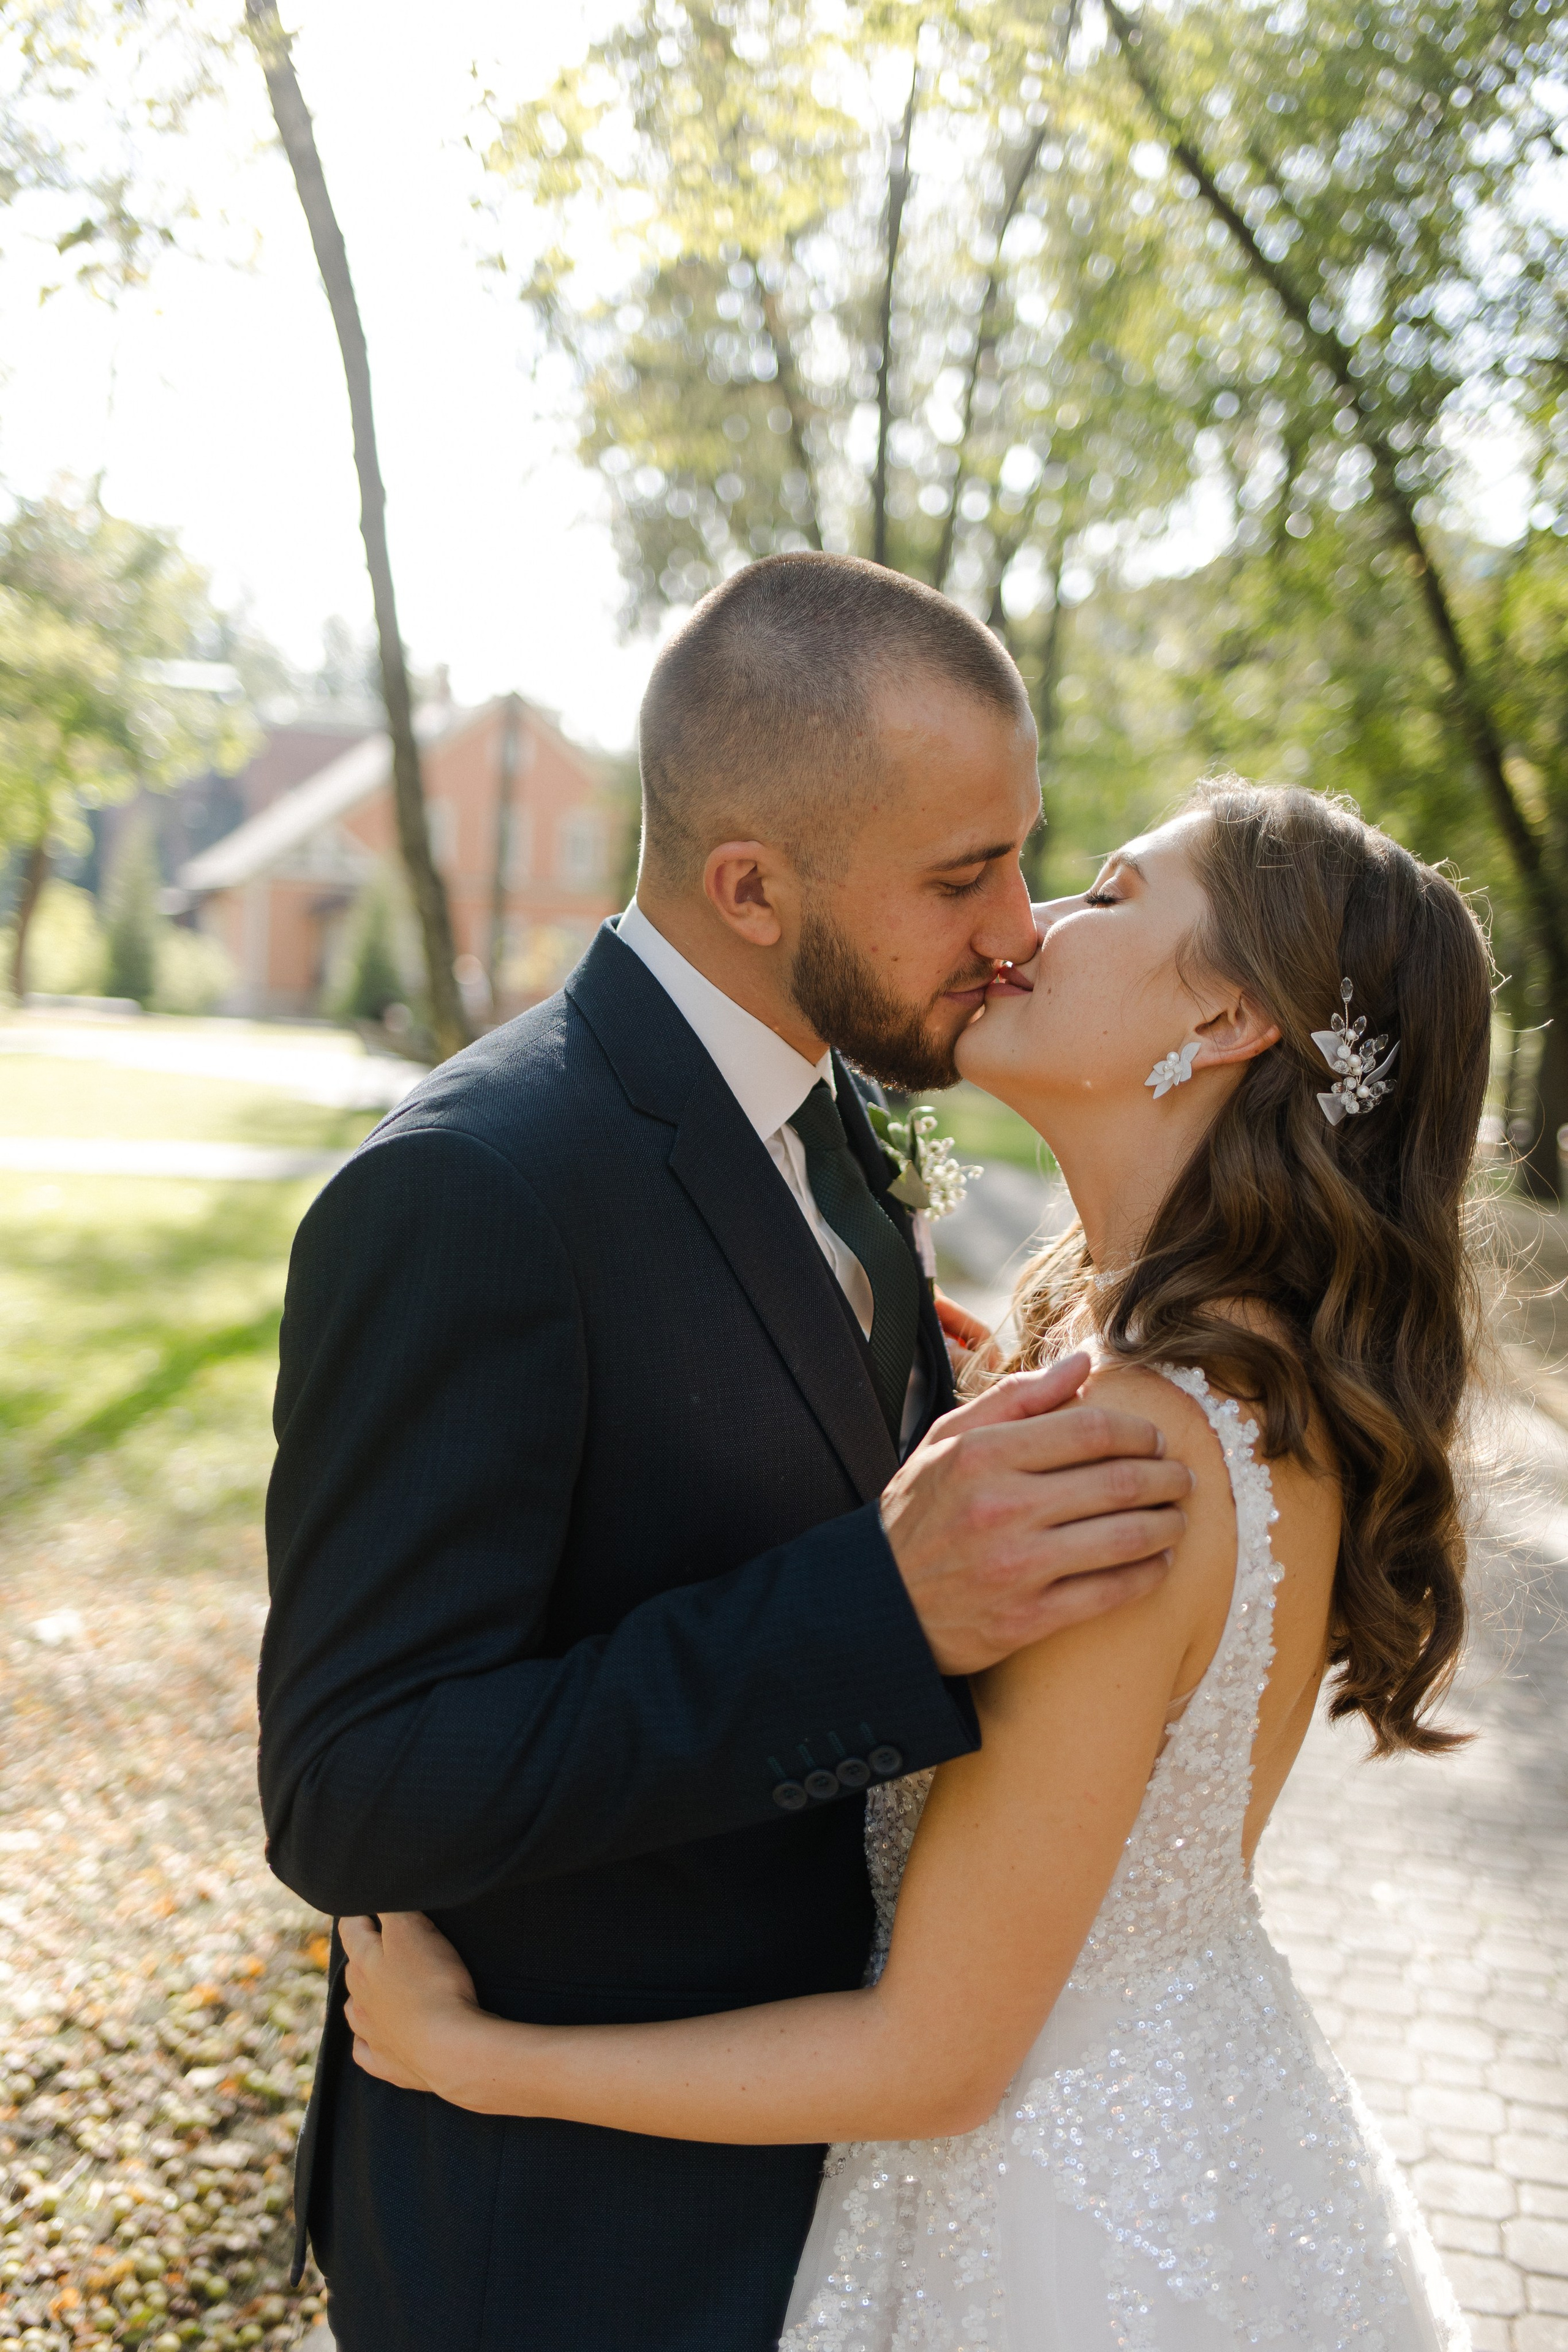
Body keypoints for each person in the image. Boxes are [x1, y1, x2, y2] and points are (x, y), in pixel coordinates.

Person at [339, 778, 1492, 2351]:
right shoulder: (1233, 1378)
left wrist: (475, 2059)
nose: (1030, 925)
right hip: (1210, 2145)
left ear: (1224, 1018)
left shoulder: (1123, 1455)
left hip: (1052, 2233)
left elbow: (934, 2063)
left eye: (1105, 894)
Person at [257, 551, 1195, 2350]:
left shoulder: (838, 1107)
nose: (1020, 926)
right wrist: (876, 1614)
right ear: (749, 886)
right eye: (960, 876)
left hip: (816, 2192)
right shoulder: (471, 1192)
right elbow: (349, 1788)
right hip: (559, 2242)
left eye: (1020, 852)